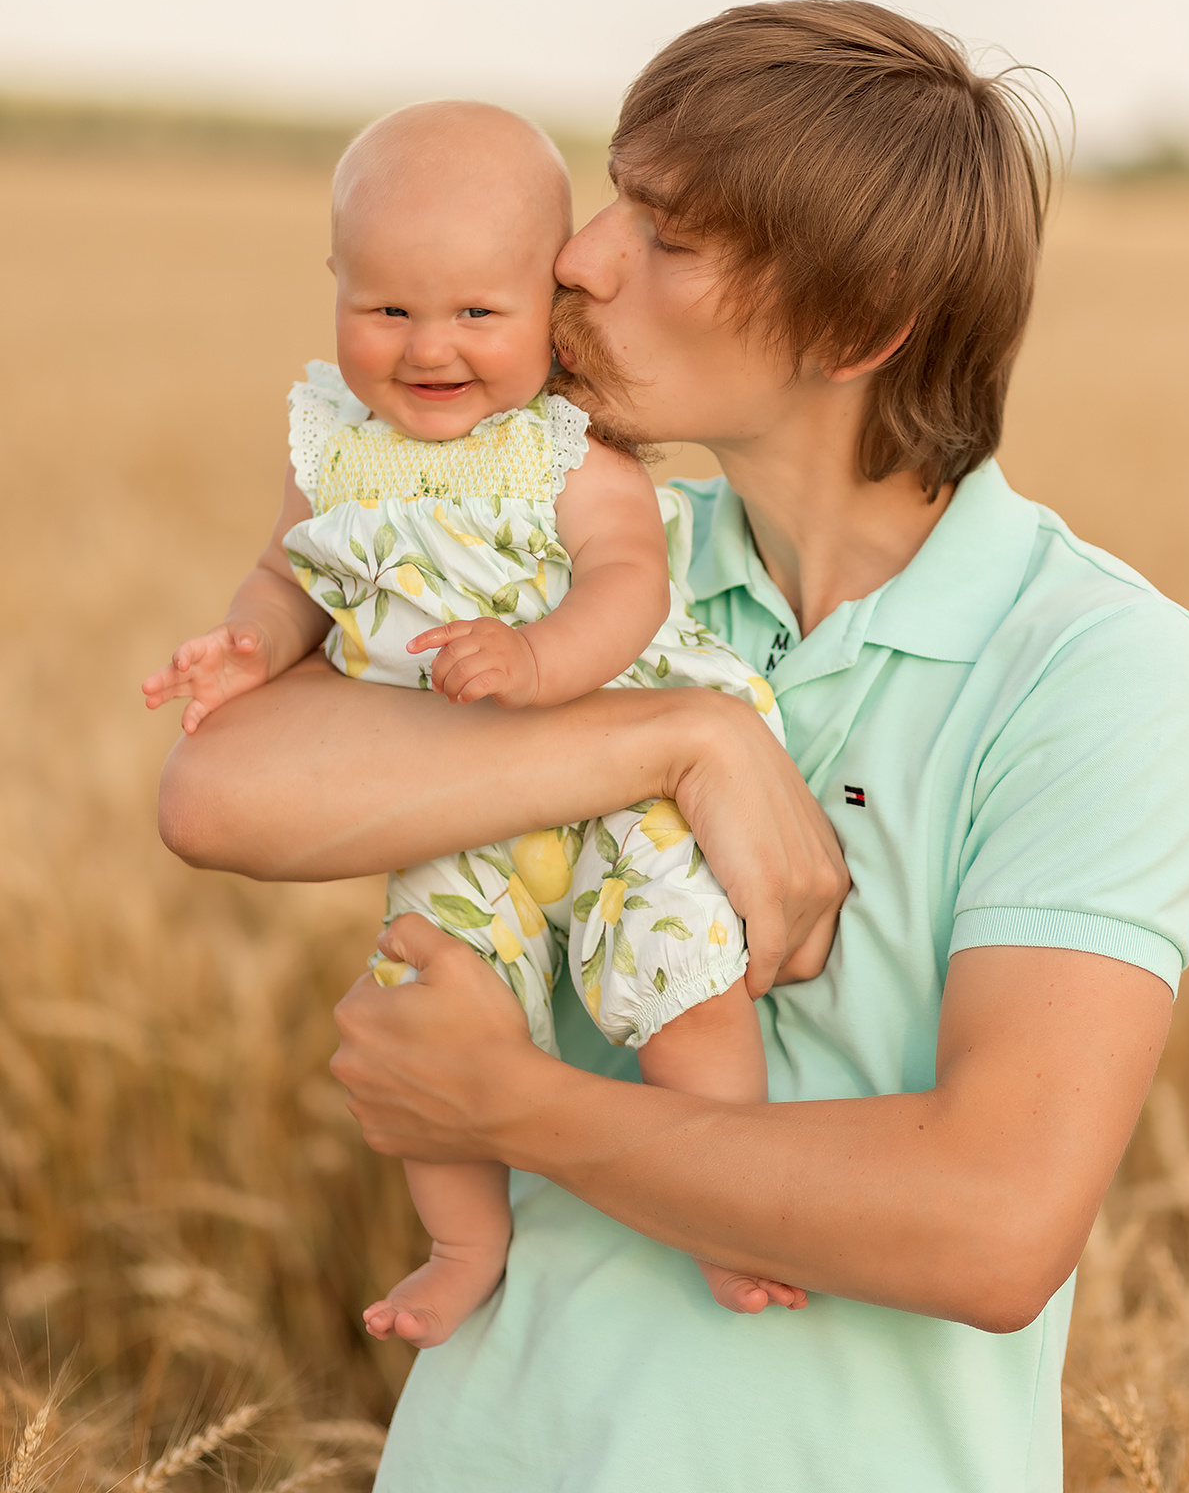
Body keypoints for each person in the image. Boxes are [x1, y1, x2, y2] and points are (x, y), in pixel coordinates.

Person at [159, 0, 1189, 1493]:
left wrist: (506, 1108)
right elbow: (216, 790)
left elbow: (993, 1225)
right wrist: (683, 736)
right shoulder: (573, 561)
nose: (581, 257)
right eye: (613, 199)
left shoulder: (1092, 665)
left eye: (667, 234)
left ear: (856, 330)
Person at [142, 100, 803, 1345]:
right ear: (335, 285)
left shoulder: (564, 452)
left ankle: (726, 1210)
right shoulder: (327, 452)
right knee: (428, 1003)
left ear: (549, 311)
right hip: (453, 796)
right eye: (386, 310)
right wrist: (250, 646)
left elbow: (627, 583)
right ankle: (462, 1244)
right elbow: (286, 577)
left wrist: (540, 656)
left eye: (477, 315)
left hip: (621, 793)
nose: (426, 347)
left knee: (680, 982)